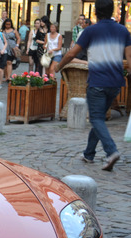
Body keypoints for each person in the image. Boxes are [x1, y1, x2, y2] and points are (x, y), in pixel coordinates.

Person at [55, 0, 130, 171]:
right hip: (115, 83)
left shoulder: (90, 31)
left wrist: (59, 66)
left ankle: (111, 151)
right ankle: (89, 154)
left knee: (96, 118)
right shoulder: (123, 30)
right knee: (99, 118)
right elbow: (130, 57)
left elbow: (72, 53)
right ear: (112, 11)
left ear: (95, 12)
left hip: (97, 81)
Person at [1, 18, 20, 84]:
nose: (8, 26)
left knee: (9, 62)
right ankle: (6, 77)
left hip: (12, 47)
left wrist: (17, 45)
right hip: (4, 47)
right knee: (5, 63)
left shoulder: (14, 31)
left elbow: (18, 38)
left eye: (9, 24)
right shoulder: (2, 31)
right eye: (7, 24)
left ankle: (9, 77)